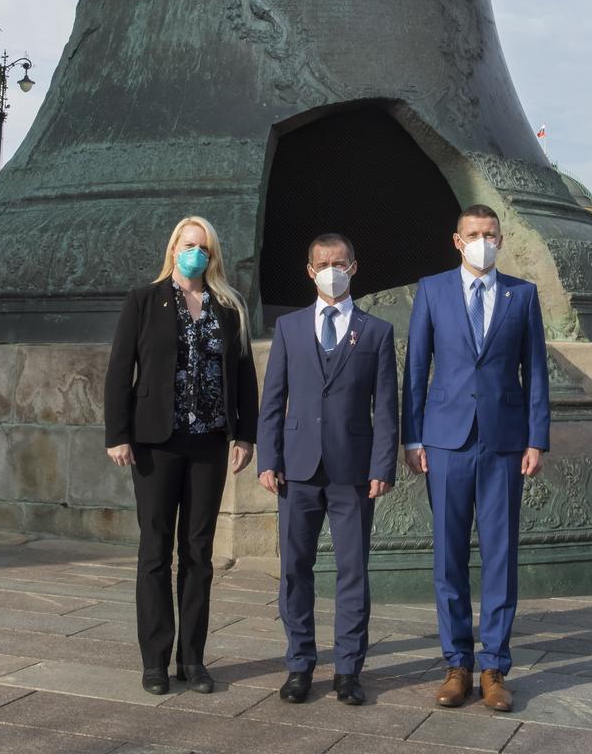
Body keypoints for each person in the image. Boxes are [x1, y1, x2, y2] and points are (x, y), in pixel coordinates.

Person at [402, 204, 549, 712]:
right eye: (473, 234)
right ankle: (456, 664)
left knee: (501, 556)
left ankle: (494, 667)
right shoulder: (433, 290)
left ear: (501, 241)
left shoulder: (522, 295)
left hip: (505, 442)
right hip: (444, 442)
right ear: (456, 240)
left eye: (490, 233)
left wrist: (537, 439)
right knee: (448, 556)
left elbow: (536, 372)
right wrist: (412, 438)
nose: (482, 240)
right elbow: (416, 367)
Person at [104, 215, 258, 696]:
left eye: (205, 248)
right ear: (173, 249)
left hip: (209, 443)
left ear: (214, 257)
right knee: (154, 550)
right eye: (189, 245)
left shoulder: (228, 308)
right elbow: (118, 372)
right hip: (155, 443)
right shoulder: (143, 301)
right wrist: (118, 434)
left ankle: (193, 659)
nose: (196, 254)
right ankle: (155, 659)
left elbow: (244, 376)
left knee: (198, 553)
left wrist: (245, 435)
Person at [257, 232, 399, 707]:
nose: (331, 270)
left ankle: (347, 669)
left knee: (352, 572)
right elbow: (272, 401)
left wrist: (383, 464)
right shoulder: (290, 328)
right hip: (296, 470)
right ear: (310, 270)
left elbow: (386, 408)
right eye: (322, 263)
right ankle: (299, 664)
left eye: (340, 262)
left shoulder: (376, 332)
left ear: (354, 268)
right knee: (295, 570)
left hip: (352, 471)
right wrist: (268, 459)